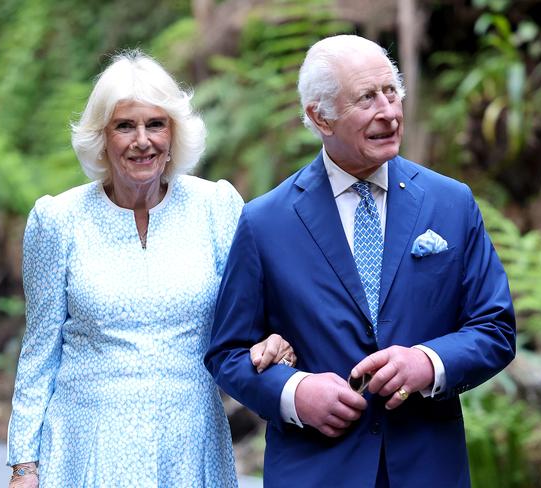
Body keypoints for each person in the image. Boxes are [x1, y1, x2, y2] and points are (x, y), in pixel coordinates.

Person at [205, 35, 516, 488]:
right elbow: (227, 353)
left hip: (428, 468)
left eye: (391, 92)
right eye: (366, 98)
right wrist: (294, 394)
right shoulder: (264, 222)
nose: (388, 111)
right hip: (315, 470)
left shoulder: (452, 203)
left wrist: (428, 363)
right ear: (320, 116)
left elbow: (495, 327)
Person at [6, 50, 296, 488]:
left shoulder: (215, 208)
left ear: (174, 132)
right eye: (125, 125)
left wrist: (276, 341)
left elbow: (253, 318)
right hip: (87, 445)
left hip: (189, 442)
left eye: (155, 124)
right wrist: (24, 466)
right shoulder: (58, 220)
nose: (142, 140)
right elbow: (40, 350)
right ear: (101, 137)